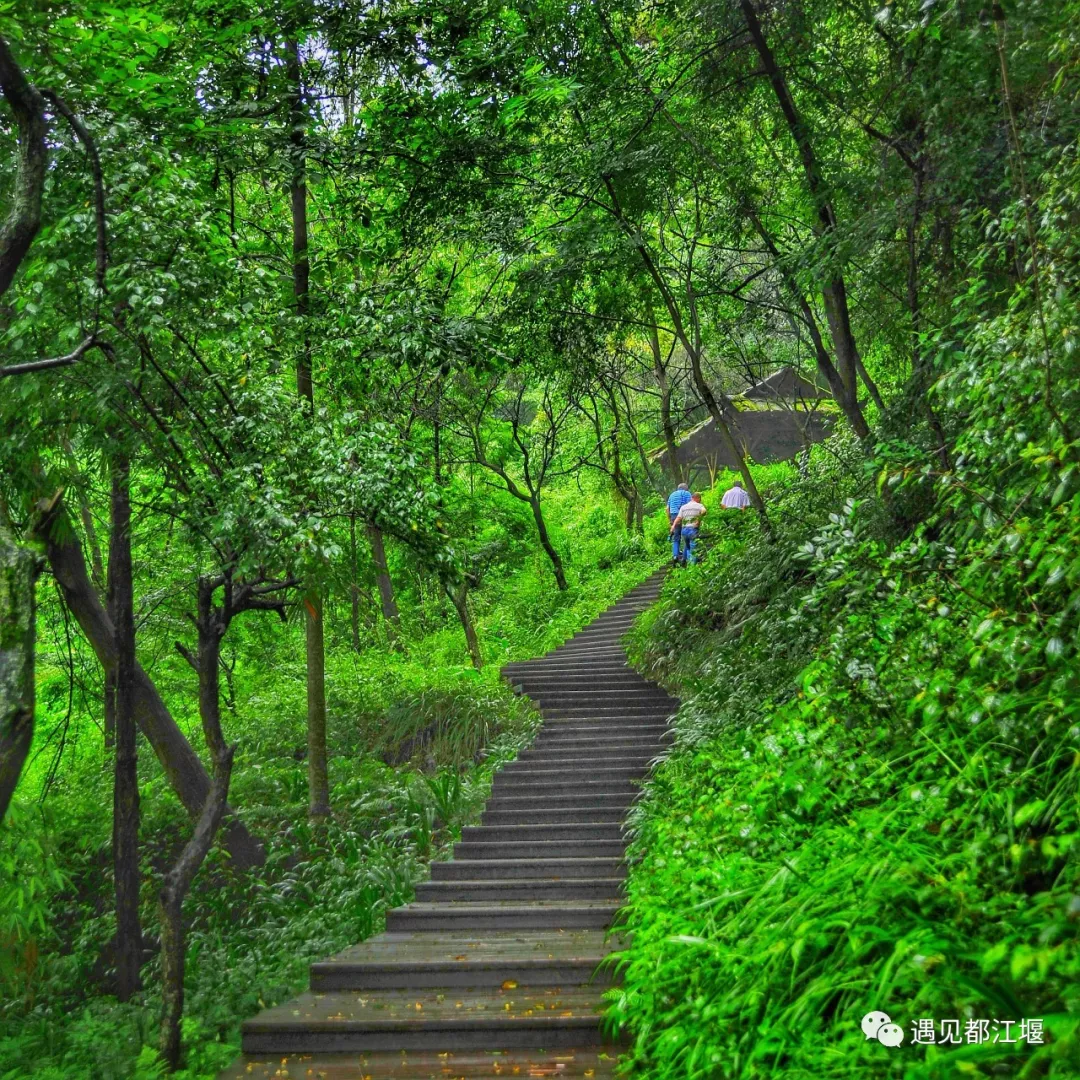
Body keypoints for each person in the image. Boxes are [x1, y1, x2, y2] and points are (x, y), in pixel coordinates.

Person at [670, 492, 707, 565]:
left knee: (687, 546)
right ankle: (692, 566)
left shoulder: (683, 507)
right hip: (693, 530)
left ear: (691, 498)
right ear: (698, 498)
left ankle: (684, 561)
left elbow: (678, 518)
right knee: (693, 548)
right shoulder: (699, 505)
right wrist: (699, 518)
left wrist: (673, 526)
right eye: (700, 499)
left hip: (684, 530)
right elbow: (704, 511)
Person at [666, 482, 693, 563]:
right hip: (684, 515)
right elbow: (690, 505)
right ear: (686, 488)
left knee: (676, 537)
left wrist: (670, 519)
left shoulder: (672, 495)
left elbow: (667, 509)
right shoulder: (687, 493)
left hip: (674, 516)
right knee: (686, 535)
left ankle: (675, 555)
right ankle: (685, 557)